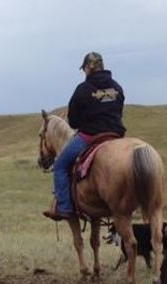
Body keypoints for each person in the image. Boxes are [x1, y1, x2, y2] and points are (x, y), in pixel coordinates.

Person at [49, 52, 126, 220]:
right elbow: (119, 112)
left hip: (90, 136)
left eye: (84, 68)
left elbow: (73, 121)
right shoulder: (117, 87)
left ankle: (64, 207)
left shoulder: (82, 89)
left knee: (60, 165)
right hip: (115, 136)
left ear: (88, 68)